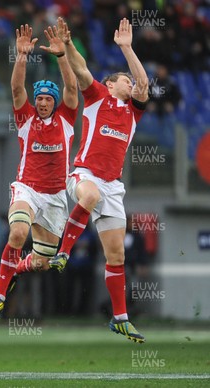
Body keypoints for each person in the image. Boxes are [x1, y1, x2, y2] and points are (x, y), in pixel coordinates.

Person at [48, 17, 148, 344]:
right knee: (88, 197)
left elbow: (145, 85)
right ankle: (63, 252)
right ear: (111, 83)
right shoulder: (97, 96)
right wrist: (68, 47)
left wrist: (127, 48)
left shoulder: (132, 111)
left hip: (113, 186)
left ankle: (120, 318)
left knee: (116, 255)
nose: (131, 81)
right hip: (84, 174)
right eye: (125, 79)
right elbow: (80, 70)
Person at [0, 21, 78, 316]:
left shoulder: (66, 118)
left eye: (49, 99)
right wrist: (22, 55)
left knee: (42, 262)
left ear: (55, 101)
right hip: (27, 189)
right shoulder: (25, 119)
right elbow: (15, 88)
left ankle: (18, 269)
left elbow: (73, 87)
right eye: (40, 99)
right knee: (17, 233)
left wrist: (62, 56)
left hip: (56, 197)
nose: (44, 103)